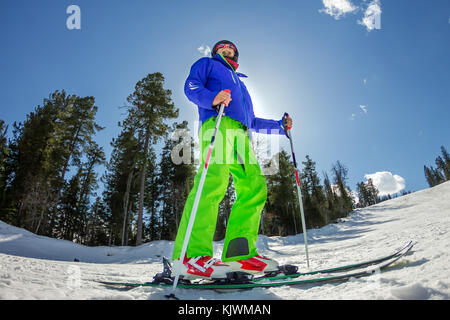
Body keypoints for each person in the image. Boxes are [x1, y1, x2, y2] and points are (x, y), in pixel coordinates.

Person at [172, 40, 293, 279]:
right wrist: (212, 98)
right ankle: (191, 256)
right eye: (222, 49)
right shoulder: (207, 64)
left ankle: (240, 254)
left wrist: (280, 127)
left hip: (240, 133)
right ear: (215, 53)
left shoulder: (241, 84)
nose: (226, 51)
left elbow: (253, 120)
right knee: (213, 182)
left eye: (230, 49)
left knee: (254, 186)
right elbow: (191, 86)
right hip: (217, 123)